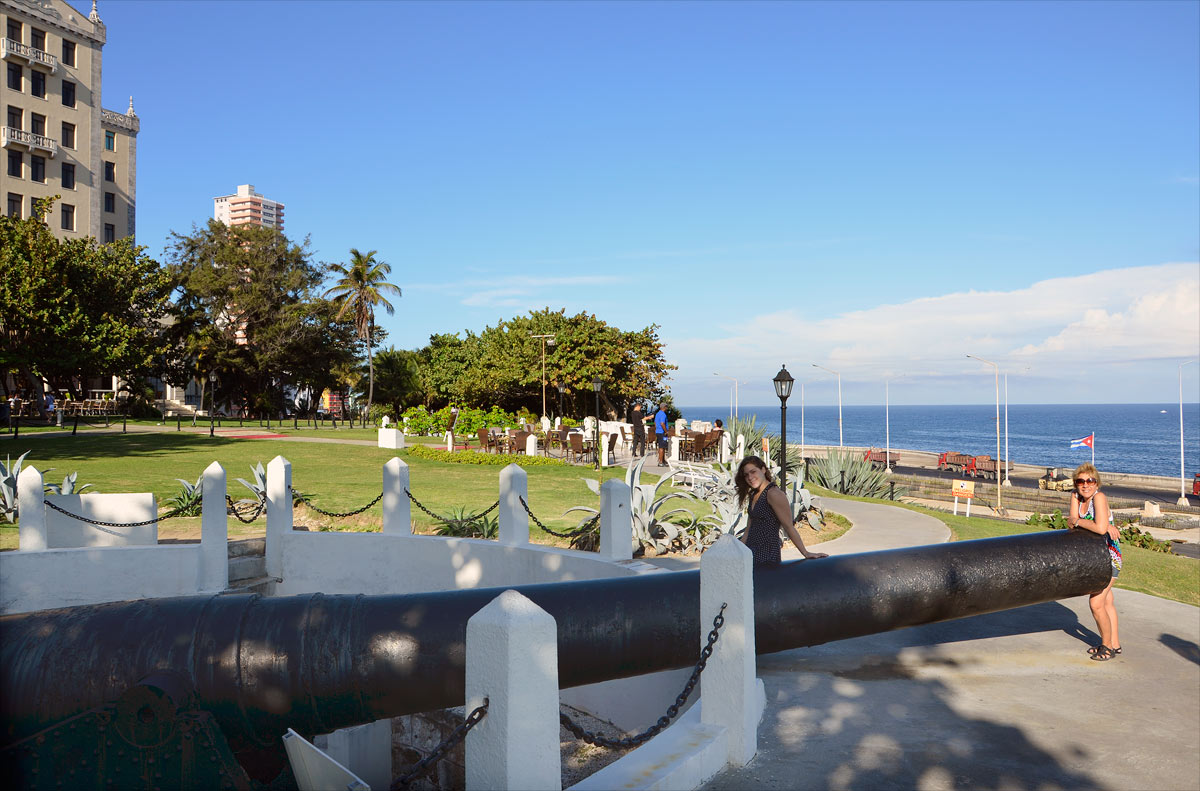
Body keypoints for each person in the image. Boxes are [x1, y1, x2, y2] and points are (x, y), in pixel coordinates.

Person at [1067, 463, 1122, 660]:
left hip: (1109, 556)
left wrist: (1083, 522)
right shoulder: (1075, 496)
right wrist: (1098, 525)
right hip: (1093, 556)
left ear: (1096, 482)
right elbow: (1070, 522)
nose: (1085, 485)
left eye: (1090, 481)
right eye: (1080, 481)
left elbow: (1097, 528)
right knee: (1107, 601)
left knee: (1096, 603)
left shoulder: (1099, 497)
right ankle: (1114, 644)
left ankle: (1106, 647)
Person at [735, 455, 828, 565]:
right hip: (750, 552)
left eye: (753, 472)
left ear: (763, 470)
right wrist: (738, 552)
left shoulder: (773, 493)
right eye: (746, 475)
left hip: (766, 555)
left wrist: (805, 553)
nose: (750, 477)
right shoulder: (754, 494)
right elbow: (748, 529)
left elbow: (788, 526)